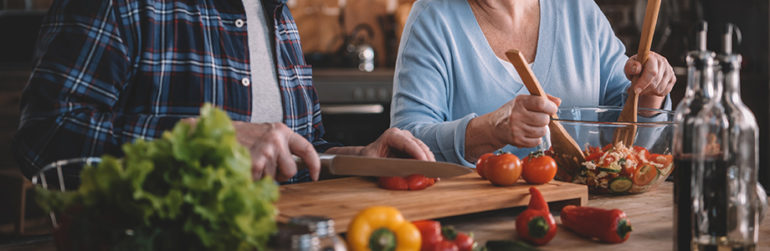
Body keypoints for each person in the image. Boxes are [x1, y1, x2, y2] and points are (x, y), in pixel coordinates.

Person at [13, 0, 434, 183]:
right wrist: (202, 141)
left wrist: (356, 159)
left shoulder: (279, 17)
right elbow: (45, 137)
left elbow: (296, 154)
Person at [390, 0, 676, 167]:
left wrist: (649, 95)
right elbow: (404, 144)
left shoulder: (579, 11)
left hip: (586, 218)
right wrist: (489, 130)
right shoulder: (432, 18)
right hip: (475, 222)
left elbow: (625, 144)